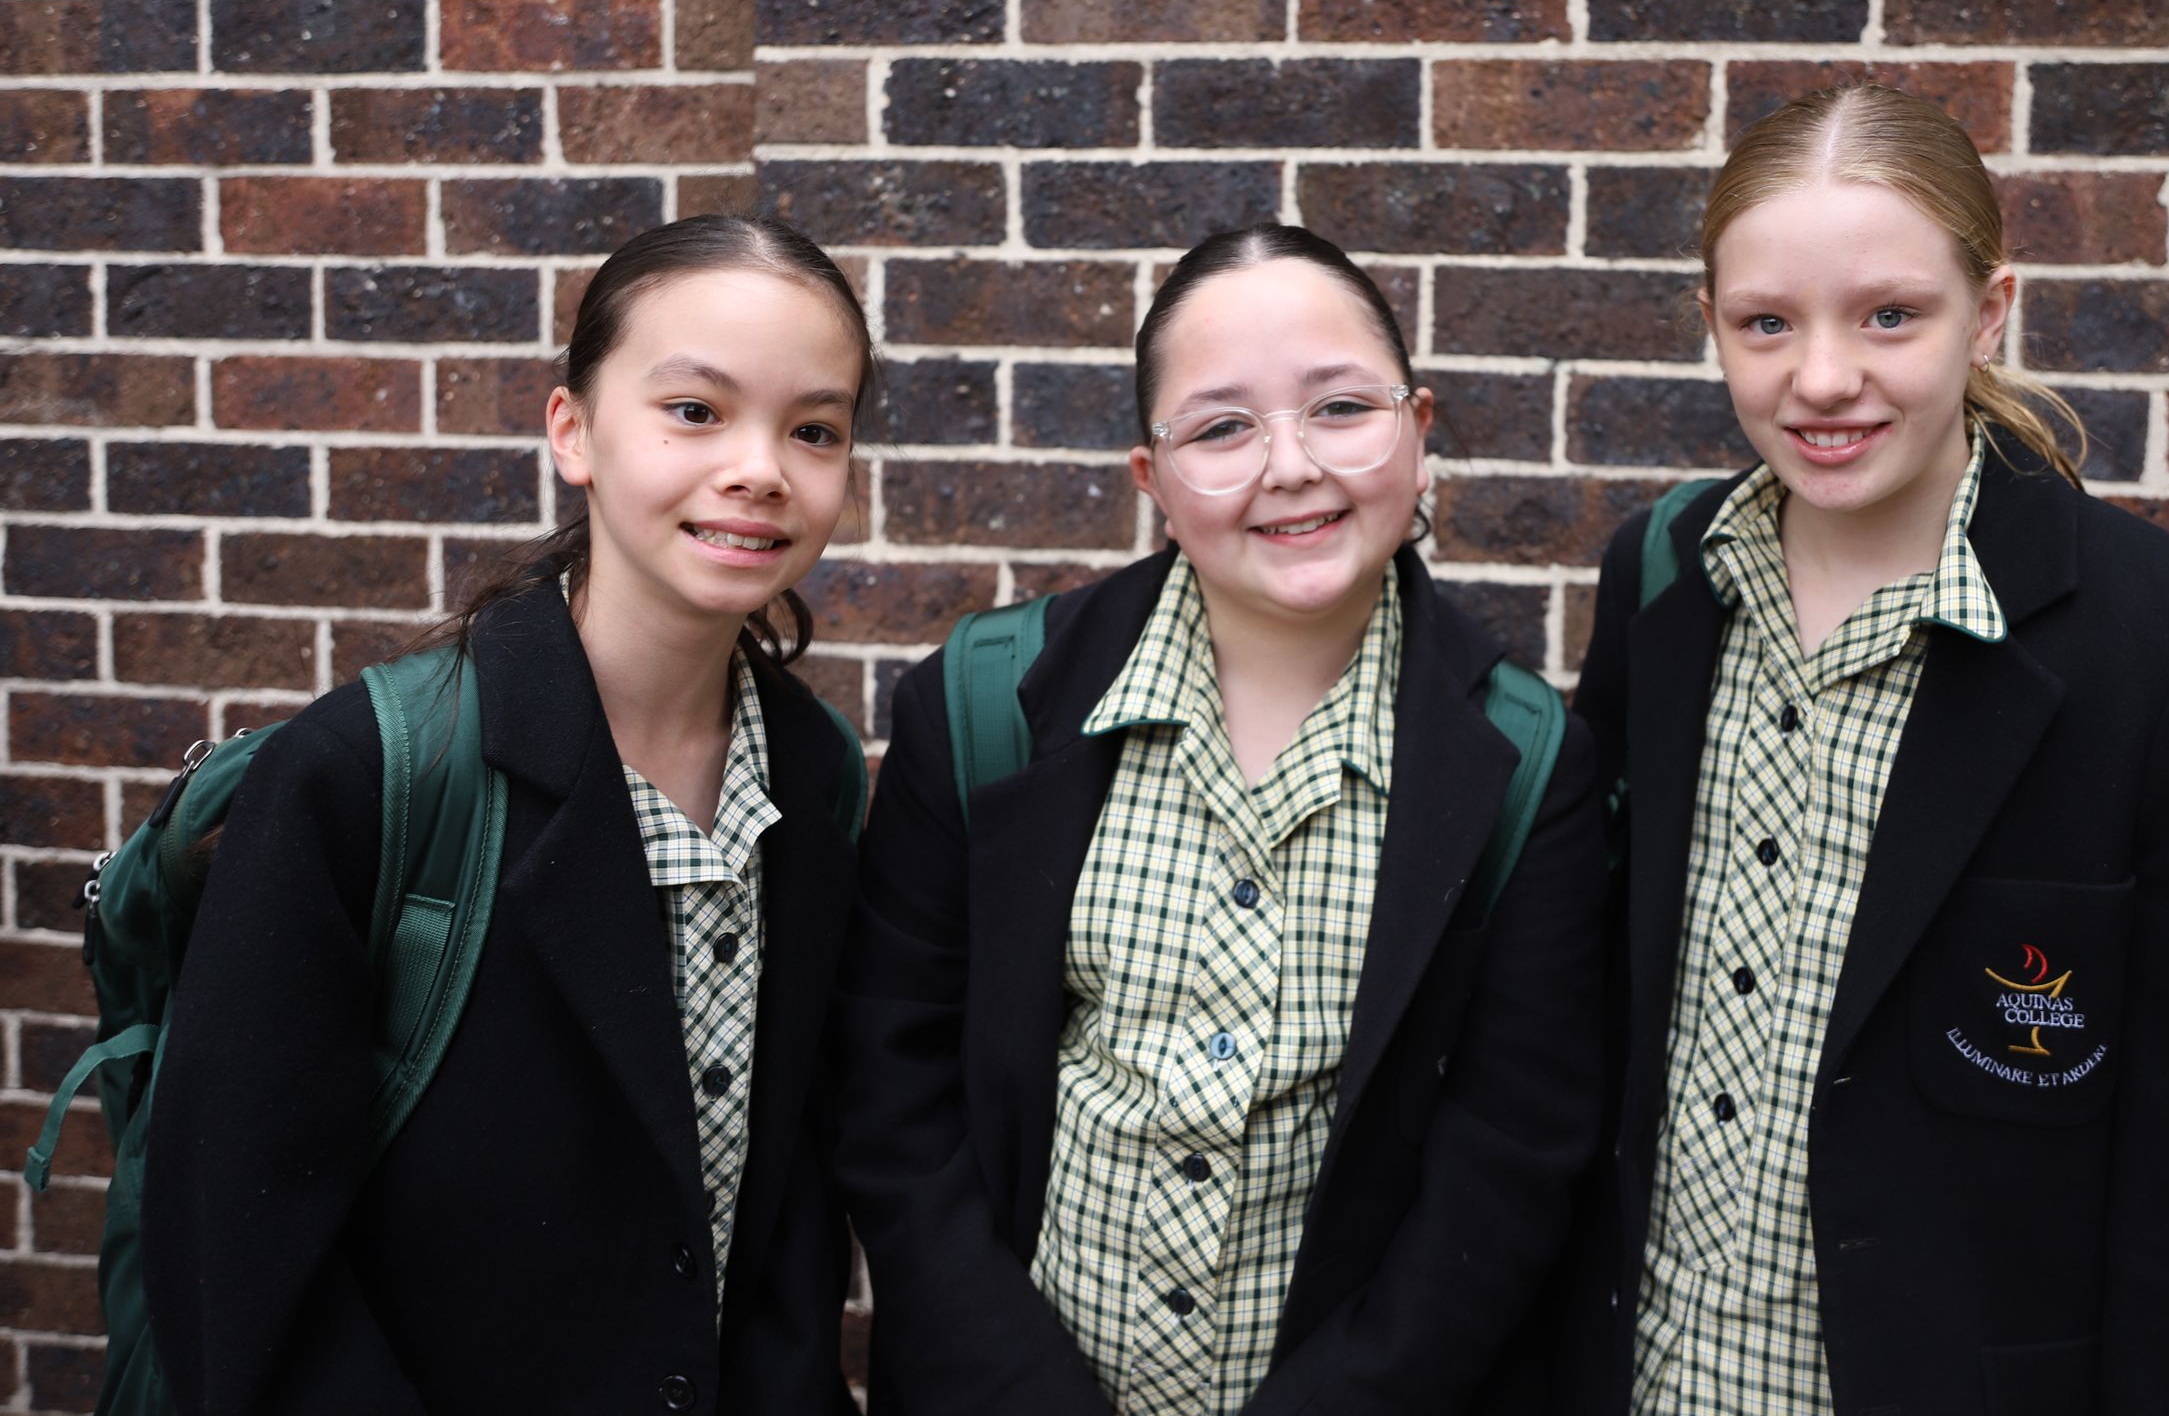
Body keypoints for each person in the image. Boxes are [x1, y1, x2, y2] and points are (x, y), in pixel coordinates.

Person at [1560, 86, 2169, 1416]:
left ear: (1990, 310)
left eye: (1889, 314)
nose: (1822, 377)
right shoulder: (1664, 582)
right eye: (1766, 322)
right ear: (1711, 323)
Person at [836, 223, 1610, 1416]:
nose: (1289, 465)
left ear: (1418, 428)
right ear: (1151, 479)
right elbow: (895, 1092)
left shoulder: (1522, 762)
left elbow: (1507, 1159)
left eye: (1340, 408)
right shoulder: (986, 705)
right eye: (1220, 428)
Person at [142, 215, 877, 1415]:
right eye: (695, 410)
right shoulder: (364, 773)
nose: (761, 467)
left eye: (814, 428)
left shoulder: (813, 769)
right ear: (573, 430)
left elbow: (784, 1189)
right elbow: (239, 1254)